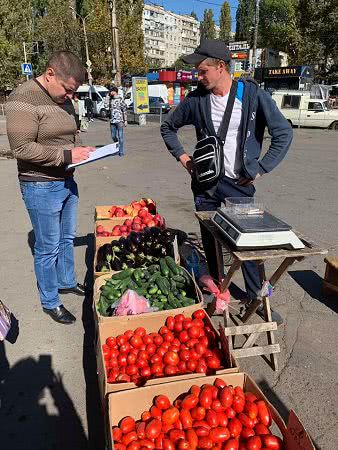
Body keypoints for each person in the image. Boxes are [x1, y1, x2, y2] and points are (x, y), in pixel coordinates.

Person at [161, 39, 293, 310]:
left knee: (249, 244)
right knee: (210, 239)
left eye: (203, 70)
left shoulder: (254, 96)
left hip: (240, 184)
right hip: (206, 184)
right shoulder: (196, 99)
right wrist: (185, 160)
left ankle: (256, 298)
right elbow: (168, 127)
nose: (198, 76)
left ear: (221, 67)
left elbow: (283, 133)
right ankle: (220, 290)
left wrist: (261, 167)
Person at [6, 50, 94, 325]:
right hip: (40, 185)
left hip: (66, 180)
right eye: (67, 90)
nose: (69, 97)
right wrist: (67, 156)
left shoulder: (62, 98)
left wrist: (81, 150)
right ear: (50, 74)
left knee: (67, 237)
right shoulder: (22, 98)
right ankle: (50, 301)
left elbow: (65, 136)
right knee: (47, 247)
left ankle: (66, 281)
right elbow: (21, 148)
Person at [108, 86, 127, 157]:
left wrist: (125, 120)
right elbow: (106, 106)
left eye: (111, 91)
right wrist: (107, 98)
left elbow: (124, 110)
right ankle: (117, 146)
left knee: (121, 137)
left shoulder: (120, 100)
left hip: (119, 121)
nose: (110, 92)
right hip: (112, 121)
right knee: (113, 136)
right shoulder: (110, 100)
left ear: (114, 92)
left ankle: (121, 151)